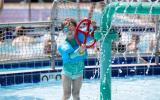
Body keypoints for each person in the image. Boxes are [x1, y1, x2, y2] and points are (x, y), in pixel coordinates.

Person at [58, 18, 87, 100]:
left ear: (76, 29)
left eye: (72, 29)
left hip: (79, 72)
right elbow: (70, 56)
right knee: (66, 94)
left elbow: (91, 35)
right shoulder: (63, 44)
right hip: (67, 73)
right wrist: (79, 51)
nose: (69, 31)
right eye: (66, 29)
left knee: (76, 95)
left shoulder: (80, 40)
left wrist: (93, 26)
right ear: (63, 31)